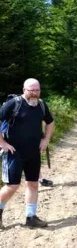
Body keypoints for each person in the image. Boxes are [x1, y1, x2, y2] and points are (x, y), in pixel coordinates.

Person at [0, 78, 55, 229]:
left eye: (37, 90)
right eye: (31, 90)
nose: (34, 94)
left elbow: (50, 122)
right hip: (14, 152)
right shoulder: (14, 104)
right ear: (24, 89)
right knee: (12, 186)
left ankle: (31, 217)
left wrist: (46, 140)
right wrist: (3, 143)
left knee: (32, 184)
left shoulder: (42, 105)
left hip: (34, 152)